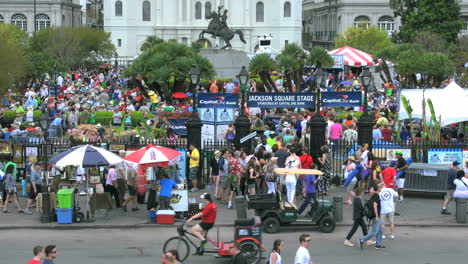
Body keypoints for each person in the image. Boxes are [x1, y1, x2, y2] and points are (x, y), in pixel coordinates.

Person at [359, 182, 386, 249]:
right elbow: (375, 206)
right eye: (380, 188)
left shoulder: (374, 194)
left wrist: (380, 184)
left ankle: (378, 244)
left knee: (380, 231)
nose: (381, 188)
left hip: (376, 215)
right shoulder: (376, 196)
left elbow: (378, 186)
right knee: (375, 231)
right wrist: (377, 216)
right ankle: (362, 240)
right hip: (375, 216)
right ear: (378, 189)